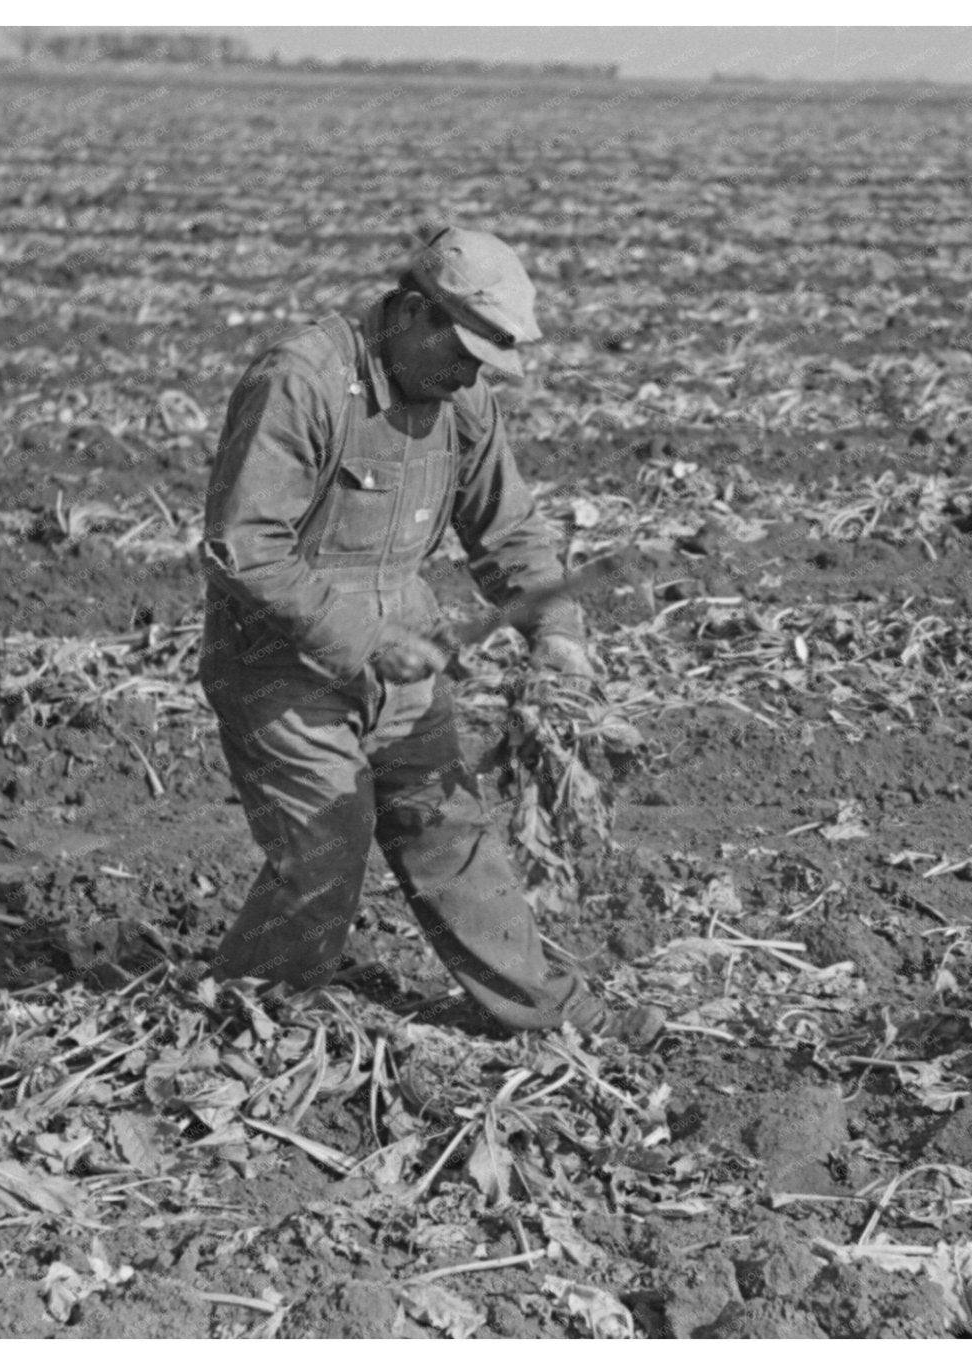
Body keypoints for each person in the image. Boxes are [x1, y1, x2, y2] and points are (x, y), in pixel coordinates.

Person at [196, 224, 660, 1045]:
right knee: (324, 850)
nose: (474, 376)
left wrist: (558, 637)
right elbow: (245, 548)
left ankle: (550, 1014)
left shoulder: (462, 398)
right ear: (414, 311)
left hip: (403, 653)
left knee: (453, 834)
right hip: (279, 663)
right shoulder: (302, 381)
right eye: (467, 351)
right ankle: (248, 1018)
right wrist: (366, 641)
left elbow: (507, 531)